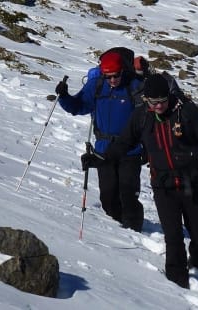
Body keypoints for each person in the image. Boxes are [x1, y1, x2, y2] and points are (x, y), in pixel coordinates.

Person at [99, 73, 198, 288]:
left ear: (169, 97)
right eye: (152, 102)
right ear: (146, 100)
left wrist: (194, 155)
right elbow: (124, 143)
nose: (158, 106)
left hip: (191, 183)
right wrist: (101, 158)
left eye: (162, 101)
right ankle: (177, 284)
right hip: (163, 185)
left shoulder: (186, 111)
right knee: (173, 237)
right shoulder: (141, 117)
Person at [55, 50, 144, 232]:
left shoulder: (135, 86)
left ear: (122, 71)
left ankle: (135, 232)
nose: (112, 80)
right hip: (104, 149)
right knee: (108, 197)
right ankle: (119, 227)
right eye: (108, 76)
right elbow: (79, 106)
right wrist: (64, 97)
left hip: (130, 150)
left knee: (128, 194)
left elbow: (146, 118)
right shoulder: (96, 85)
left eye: (116, 76)